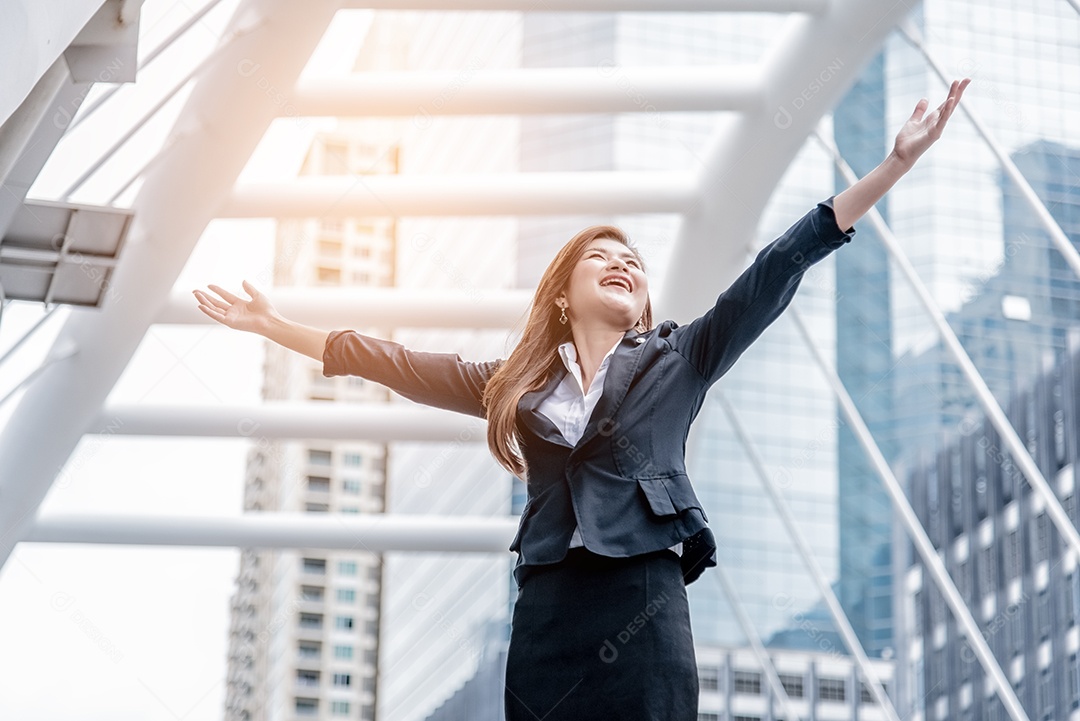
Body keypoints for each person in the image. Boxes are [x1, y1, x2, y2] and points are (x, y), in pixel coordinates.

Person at [193, 78, 969, 721]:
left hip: (642, 594)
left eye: (633, 261)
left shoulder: (681, 356)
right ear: (563, 294)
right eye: (601, 256)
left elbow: (780, 263)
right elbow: (396, 363)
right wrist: (275, 325)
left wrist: (892, 166)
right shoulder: (516, 384)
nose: (622, 264)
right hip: (548, 607)